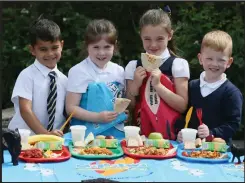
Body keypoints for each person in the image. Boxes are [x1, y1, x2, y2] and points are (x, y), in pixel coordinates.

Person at [125, 8, 190, 139]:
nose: (153, 45)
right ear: (140, 36)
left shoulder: (178, 64)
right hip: (140, 136)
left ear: (170, 35)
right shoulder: (133, 66)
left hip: (171, 135)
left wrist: (159, 86)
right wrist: (135, 85)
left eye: (159, 39)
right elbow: (129, 107)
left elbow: (183, 106)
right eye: (147, 39)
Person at [177, 30, 243, 144]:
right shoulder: (191, 87)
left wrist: (212, 133)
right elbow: (181, 115)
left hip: (219, 153)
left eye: (221, 60)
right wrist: (180, 132)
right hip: (189, 149)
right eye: (209, 59)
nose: (214, 64)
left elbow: (233, 125)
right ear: (200, 58)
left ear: (229, 62)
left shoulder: (232, 93)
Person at [66, 19, 127, 138]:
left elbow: (118, 101)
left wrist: (122, 112)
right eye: (96, 47)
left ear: (114, 46)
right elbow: (71, 108)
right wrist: (97, 117)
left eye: (107, 47)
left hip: (115, 135)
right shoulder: (78, 71)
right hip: (84, 135)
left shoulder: (119, 71)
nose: (101, 52)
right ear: (87, 46)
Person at [8, 18, 68, 137]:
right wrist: (45, 135)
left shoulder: (65, 80)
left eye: (54, 48)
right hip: (23, 140)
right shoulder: (27, 75)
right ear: (32, 50)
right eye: (43, 49)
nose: (50, 54)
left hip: (51, 143)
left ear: (61, 45)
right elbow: (25, 110)